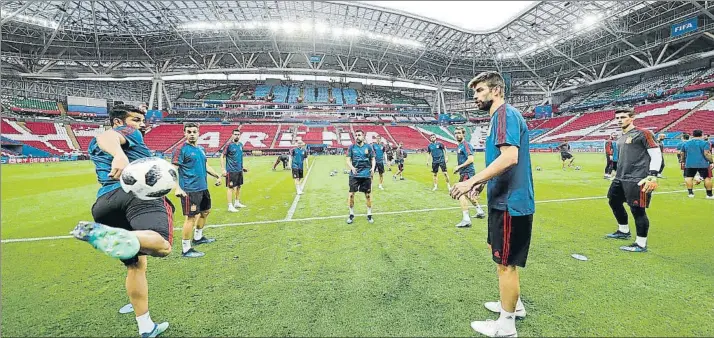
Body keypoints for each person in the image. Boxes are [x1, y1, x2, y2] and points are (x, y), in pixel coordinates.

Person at [71, 105, 172, 337]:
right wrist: (119, 154)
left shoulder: (94, 145)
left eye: (142, 120)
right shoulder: (126, 134)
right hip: (137, 195)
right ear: (118, 122)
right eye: (136, 119)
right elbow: (108, 135)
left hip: (105, 205)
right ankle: (123, 236)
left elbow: (104, 138)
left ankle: (146, 326)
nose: (141, 125)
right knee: (163, 246)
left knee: (136, 265)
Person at [451, 72, 535, 337]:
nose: (475, 97)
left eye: (479, 91)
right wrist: (482, 183)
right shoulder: (499, 118)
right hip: (502, 201)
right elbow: (499, 161)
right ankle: (514, 305)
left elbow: (510, 157)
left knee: (505, 264)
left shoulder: (504, 115)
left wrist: (470, 181)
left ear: (496, 90)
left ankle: (506, 325)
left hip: (511, 203)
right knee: (500, 257)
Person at [605, 108, 662, 253]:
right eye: (617, 117)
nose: (619, 120)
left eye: (623, 117)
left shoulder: (643, 133)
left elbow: (656, 154)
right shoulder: (621, 136)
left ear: (632, 118)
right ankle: (623, 231)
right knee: (613, 200)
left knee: (637, 210)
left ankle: (641, 244)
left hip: (638, 178)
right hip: (620, 177)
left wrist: (653, 174)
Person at [172, 123, 222, 258]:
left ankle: (198, 238)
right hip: (189, 189)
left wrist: (217, 175)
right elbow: (173, 169)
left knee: (206, 211)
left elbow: (205, 165)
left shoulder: (200, 149)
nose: (192, 134)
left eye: (194, 132)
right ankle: (186, 249)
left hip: (202, 187)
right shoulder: (180, 149)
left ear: (198, 133)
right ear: (184, 133)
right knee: (190, 218)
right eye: (189, 132)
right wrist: (177, 187)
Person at [452, 126, 485, 227]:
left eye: (459, 133)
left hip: (468, 173)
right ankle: (480, 211)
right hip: (464, 173)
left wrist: (459, 167)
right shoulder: (460, 146)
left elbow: (471, 159)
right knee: (467, 194)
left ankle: (466, 219)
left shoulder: (466, 145)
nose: (457, 135)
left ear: (463, 134)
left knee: (460, 193)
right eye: (456, 133)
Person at [346, 129, 375, 224]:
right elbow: (348, 160)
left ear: (363, 137)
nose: (357, 136)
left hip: (366, 174)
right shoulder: (351, 147)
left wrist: (373, 168)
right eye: (356, 135)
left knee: (367, 195)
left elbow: (373, 159)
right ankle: (351, 214)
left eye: (359, 135)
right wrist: (352, 167)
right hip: (354, 174)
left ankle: (369, 214)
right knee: (351, 195)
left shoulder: (369, 147)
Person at [221, 129, 247, 213]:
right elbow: (222, 156)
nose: (237, 136)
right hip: (231, 170)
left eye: (238, 134)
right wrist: (223, 169)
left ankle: (237, 202)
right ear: (232, 135)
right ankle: (230, 205)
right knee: (230, 187)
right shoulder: (228, 145)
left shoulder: (240, 145)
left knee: (239, 186)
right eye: (235, 134)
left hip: (239, 170)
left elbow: (239, 157)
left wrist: (242, 167)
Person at [681, 129, 713, 198]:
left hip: (689, 163)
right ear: (701, 135)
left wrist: (683, 161)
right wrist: (711, 162)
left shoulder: (686, 143)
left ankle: (690, 193)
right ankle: (709, 195)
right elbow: (707, 153)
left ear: (693, 135)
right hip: (703, 163)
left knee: (689, 177)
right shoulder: (705, 143)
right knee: (707, 178)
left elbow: (682, 153)